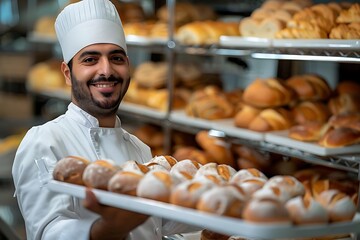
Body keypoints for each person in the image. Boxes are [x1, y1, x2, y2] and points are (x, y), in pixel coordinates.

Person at [12, 0, 198, 239]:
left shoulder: (140, 150)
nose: (106, 70)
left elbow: (160, 225)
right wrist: (109, 228)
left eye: (117, 58)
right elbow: (48, 231)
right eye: (90, 59)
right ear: (68, 74)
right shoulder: (45, 141)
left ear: (128, 67)